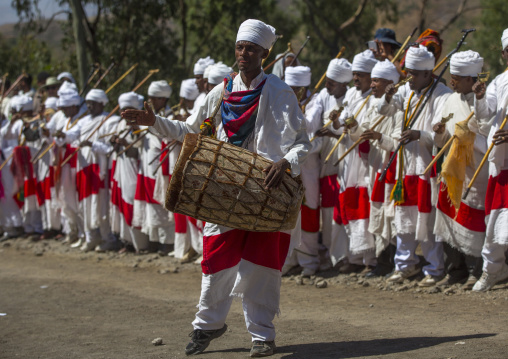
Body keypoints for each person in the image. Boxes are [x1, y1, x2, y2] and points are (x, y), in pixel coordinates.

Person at [122, 18, 310, 357]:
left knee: (260, 267)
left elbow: (301, 143)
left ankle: (262, 336)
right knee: (215, 260)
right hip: (223, 189)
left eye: (251, 49)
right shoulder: (220, 91)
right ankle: (206, 326)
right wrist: (153, 122)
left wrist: (285, 162)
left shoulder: (280, 92)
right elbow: (189, 130)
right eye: (240, 47)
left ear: (264, 53)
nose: (244, 54)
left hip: (266, 191)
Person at [379, 45, 452, 286]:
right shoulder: (407, 91)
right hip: (404, 167)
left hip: (426, 167)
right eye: (407, 72)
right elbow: (384, 109)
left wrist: (420, 134)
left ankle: (434, 268)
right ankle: (405, 265)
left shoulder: (442, 95)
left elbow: (445, 137)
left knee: (426, 220)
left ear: (427, 74)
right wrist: (388, 96)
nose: (407, 77)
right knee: (403, 218)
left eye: (412, 73)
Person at [432, 51, 486, 289]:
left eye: (456, 77)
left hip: (476, 170)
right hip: (452, 170)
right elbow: (440, 139)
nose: (451, 81)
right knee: (448, 215)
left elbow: (489, 134)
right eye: (451, 77)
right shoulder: (450, 100)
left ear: (470, 79)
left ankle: (477, 270)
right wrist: (438, 131)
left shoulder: (484, 100)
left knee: (472, 218)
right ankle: (455, 270)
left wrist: (469, 136)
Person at [350, 59, 403, 278]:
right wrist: (353, 126)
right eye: (371, 80)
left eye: (376, 81)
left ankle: (394, 262)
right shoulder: (373, 105)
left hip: (392, 169)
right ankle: (381, 262)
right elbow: (363, 131)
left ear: (390, 84)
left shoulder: (400, 107)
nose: (371, 85)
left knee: (392, 215)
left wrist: (380, 137)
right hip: (376, 167)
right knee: (378, 212)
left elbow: (398, 142)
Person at [329, 49, 378, 274]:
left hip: (366, 160)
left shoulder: (375, 99)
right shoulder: (351, 96)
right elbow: (344, 127)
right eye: (355, 74)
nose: (356, 78)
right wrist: (337, 122)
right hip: (348, 159)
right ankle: (355, 257)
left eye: (361, 74)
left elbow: (367, 129)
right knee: (350, 205)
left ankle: (371, 260)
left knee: (366, 206)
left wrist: (354, 126)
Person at [470, 28, 508, 291]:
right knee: (495, 220)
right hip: (501, 161)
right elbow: (485, 113)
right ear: (504, 54)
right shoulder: (498, 82)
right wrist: (480, 96)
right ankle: (492, 270)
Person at [282, 65, 321, 276]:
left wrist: (296, 107)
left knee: (308, 212)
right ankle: (288, 259)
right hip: (287, 165)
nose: (293, 91)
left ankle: (308, 262)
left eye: (296, 88)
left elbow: (308, 125)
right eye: (290, 87)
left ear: (303, 87)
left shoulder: (315, 102)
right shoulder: (282, 101)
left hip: (309, 167)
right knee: (288, 212)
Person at [313, 58, 352, 267]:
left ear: (343, 84)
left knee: (342, 211)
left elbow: (351, 133)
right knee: (328, 213)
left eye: (331, 83)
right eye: (327, 81)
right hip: (326, 165)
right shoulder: (323, 96)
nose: (327, 86)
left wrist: (334, 133)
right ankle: (330, 254)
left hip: (346, 166)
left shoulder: (352, 98)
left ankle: (345, 255)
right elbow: (312, 119)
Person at [132, 81, 175, 254]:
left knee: (162, 202)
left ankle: (168, 242)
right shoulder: (149, 115)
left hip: (162, 165)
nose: (150, 100)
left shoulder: (171, 116)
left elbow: (167, 136)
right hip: (148, 164)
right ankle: (154, 240)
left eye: (154, 98)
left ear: (163, 99)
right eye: (149, 97)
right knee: (151, 203)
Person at [109, 92, 149, 252]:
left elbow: (138, 152)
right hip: (122, 171)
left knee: (134, 205)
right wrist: (115, 143)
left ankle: (140, 244)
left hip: (135, 171)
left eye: (130, 110)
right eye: (124, 110)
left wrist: (126, 144)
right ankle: (127, 241)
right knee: (123, 204)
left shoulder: (142, 127)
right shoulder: (120, 125)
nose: (126, 113)